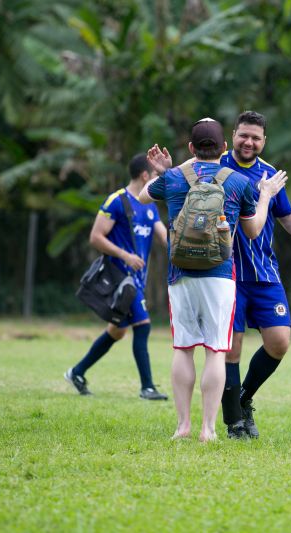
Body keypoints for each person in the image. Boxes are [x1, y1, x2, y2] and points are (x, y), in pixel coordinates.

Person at [143, 110, 291, 440]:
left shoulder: (268, 174)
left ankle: (241, 399)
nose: (249, 142)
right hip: (226, 273)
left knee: (279, 341)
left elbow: (285, 215)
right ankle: (233, 422)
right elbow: (252, 225)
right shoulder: (218, 167)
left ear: (264, 141)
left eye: (256, 138)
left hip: (262, 271)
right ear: (230, 139)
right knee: (228, 349)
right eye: (244, 135)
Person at [64, 154, 169, 400]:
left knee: (118, 331)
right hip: (121, 277)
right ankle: (147, 388)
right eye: (156, 175)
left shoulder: (150, 204)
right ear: (145, 175)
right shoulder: (117, 201)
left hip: (138, 280)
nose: (158, 179)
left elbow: (165, 238)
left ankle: (76, 372)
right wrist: (125, 255)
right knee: (143, 326)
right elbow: (95, 237)